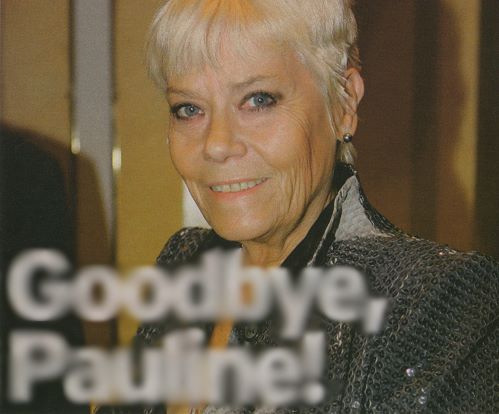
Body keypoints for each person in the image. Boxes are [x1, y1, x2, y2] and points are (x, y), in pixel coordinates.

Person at [98, 0, 499, 413]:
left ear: (344, 103)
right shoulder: (186, 263)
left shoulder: (432, 304)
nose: (216, 144)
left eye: (258, 100)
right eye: (189, 109)